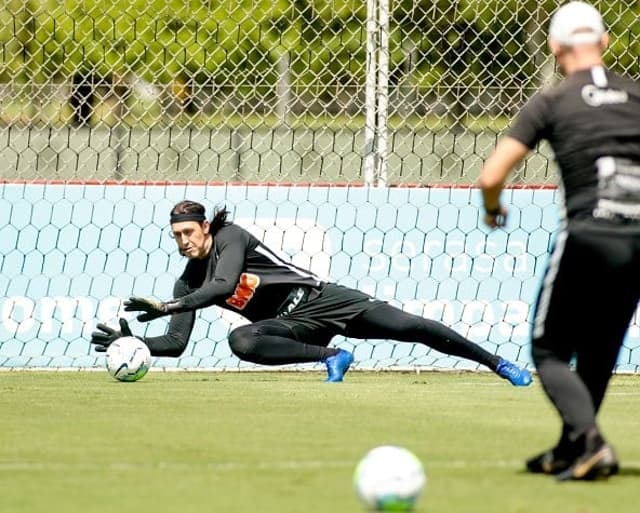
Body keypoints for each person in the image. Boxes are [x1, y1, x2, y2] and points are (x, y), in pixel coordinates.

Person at [91, 199, 532, 387]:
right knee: (241, 339)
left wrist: (168, 306)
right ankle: (331, 358)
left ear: (206, 227)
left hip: (323, 299)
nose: (183, 240)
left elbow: (223, 286)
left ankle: (497, 363)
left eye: (188, 231)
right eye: (176, 236)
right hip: (291, 325)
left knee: (411, 327)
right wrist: (132, 343)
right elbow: (176, 343)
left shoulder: (231, 237)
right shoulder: (187, 281)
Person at [478, 1, 640, 481]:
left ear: (554, 48)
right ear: (605, 43)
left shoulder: (552, 100)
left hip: (589, 234)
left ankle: (591, 444)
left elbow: (492, 175)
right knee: (599, 350)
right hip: (638, 240)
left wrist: (493, 209)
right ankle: (572, 448)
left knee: (548, 350)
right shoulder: (636, 95)